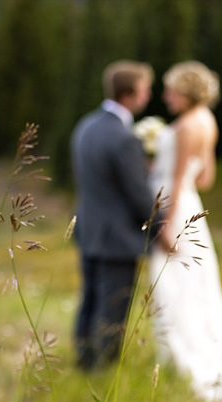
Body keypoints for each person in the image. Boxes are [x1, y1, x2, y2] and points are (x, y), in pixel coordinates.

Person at [148, 61, 222, 402]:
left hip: (175, 211)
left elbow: (178, 180)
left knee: (173, 286)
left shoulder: (183, 128)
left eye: (171, 90)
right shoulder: (208, 121)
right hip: (193, 209)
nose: (166, 97)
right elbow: (204, 178)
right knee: (199, 287)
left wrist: (164, 224)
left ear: (186, 92)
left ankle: (184, 362)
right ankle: (206, 357)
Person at [71, 60, 158, 370]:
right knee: (113, 307)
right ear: (130, 93)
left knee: (90, 299)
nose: (148, 96)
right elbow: (139, 196)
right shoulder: (124, 138)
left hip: (88, 230)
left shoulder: (85, 126)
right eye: (145, 89)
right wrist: (161, 229)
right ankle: (103, 371)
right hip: (117, 238)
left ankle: (83, 361)